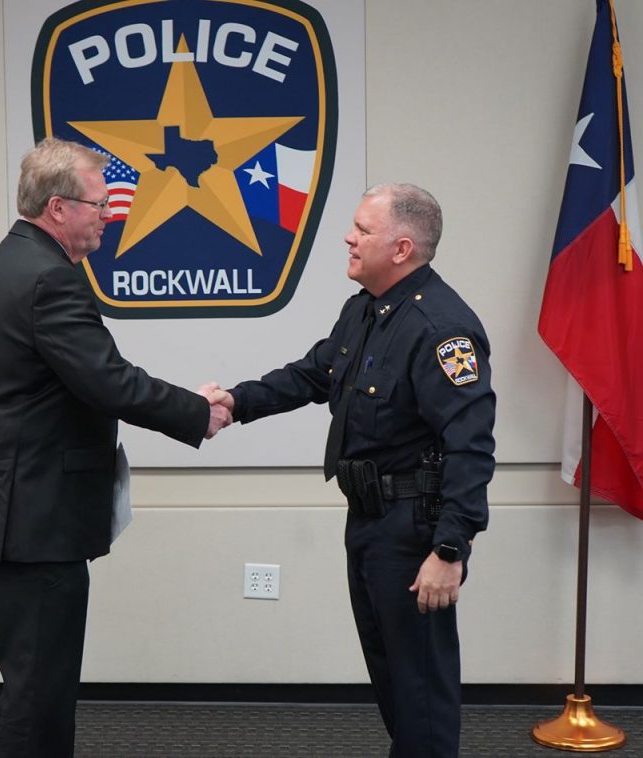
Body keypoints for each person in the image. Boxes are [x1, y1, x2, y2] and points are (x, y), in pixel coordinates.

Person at [0, 137, 231, 758]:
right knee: (40, 692)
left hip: (16, 510)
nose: (110, 214)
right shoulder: (49, 279)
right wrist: (198, 411)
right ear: (58, 208)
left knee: (34, 682)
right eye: (99, 203)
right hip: (36, 519)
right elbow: (109, 381)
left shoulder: (7, 263)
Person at [209, 183, 495, 757]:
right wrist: (234, 403)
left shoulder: (441, 329)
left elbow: (471, 446)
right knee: (393, 679)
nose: (348, 237)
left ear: (401, 248)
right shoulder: (365, 309)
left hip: (414, 530)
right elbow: (312, 374)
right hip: (368, 521)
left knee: (421, 690)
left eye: (363, 230)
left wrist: (450, 550)